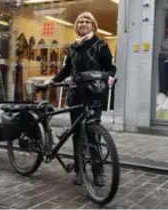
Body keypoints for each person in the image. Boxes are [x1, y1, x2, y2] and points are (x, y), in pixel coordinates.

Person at [44, 12, 116, 186]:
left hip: (94, 95)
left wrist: (109, 78)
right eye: (80, 21)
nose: (83, 24)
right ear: (76, 26)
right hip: (75, 95)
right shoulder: (72, 47)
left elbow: (110, 68)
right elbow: (66, 69)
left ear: (93, 26)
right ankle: (79, 170)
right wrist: (53, 80)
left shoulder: (101, 44)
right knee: (77, 134)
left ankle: (97, 172)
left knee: (93, 132)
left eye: (87, 21)